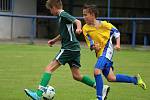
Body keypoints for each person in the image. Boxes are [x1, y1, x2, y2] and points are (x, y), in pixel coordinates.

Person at [24, 0, 110, 100]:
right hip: (74, 49)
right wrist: (54, 40)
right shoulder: (61, 17)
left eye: (50, 9)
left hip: (68, 48)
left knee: (49, 68)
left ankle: (38, 95)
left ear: (54, 7)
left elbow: (77, 21)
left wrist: (78, 28)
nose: (50, 12)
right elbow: (64, 33)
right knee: (76, 75)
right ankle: (100, 88)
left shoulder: (63, 14)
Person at [82, 4, 147, 100]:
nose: (83, 17)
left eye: (85, 14)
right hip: (100, 54)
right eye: (83, 15)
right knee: (111, 78)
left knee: (96, 71)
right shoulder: (85, 28)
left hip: (107, 50)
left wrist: (118, 44)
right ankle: (135, 79)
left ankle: (99, 97)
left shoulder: (104, 25)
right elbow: (90, 44)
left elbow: (116, 32)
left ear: (92, 14)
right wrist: (94, 47)